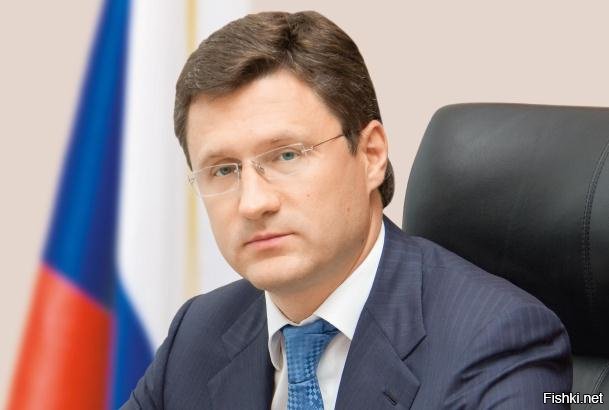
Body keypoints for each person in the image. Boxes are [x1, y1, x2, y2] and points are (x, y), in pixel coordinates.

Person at [122, 10, 571, 409]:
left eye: (287, 155)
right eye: (223, 170)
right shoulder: (196, 336)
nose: (253, 202)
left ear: (371, 154)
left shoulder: (496, 341)